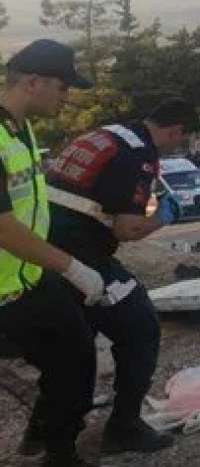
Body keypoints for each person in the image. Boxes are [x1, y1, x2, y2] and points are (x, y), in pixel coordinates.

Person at [44, 99, 198, 455]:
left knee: (73, 341)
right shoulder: (138, 155)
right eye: (180, 138)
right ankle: (124, 427)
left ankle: (42, 431)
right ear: (175, 131)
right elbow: (127, 229)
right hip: (79, 254)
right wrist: (164, 217)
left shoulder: (107, 134)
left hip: (44, 245)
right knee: (140, 325)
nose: (178, 144)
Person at [0, 40, 105, 467]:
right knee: (69, 358)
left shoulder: (18, 128)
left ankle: (56, 451)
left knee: (75, 358)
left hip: (27, 281)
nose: (66, 98)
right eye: (62, 88)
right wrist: (72, 267)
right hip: (5, 291)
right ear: (32, 82)